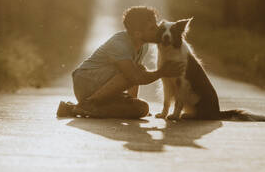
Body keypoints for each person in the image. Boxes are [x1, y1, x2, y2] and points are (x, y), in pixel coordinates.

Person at [56, 6, 184, 118]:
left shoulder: (143, 45)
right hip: (85, 82)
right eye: (152, 28)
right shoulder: (120, 44)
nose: (158, 30)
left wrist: (132, 101)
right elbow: (134, 77)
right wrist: (162, 72)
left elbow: (134, 79)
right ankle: (88, 104)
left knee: (141, 109)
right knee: (137, 71)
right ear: (138, 33)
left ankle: (73, 109)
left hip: (104, 87)